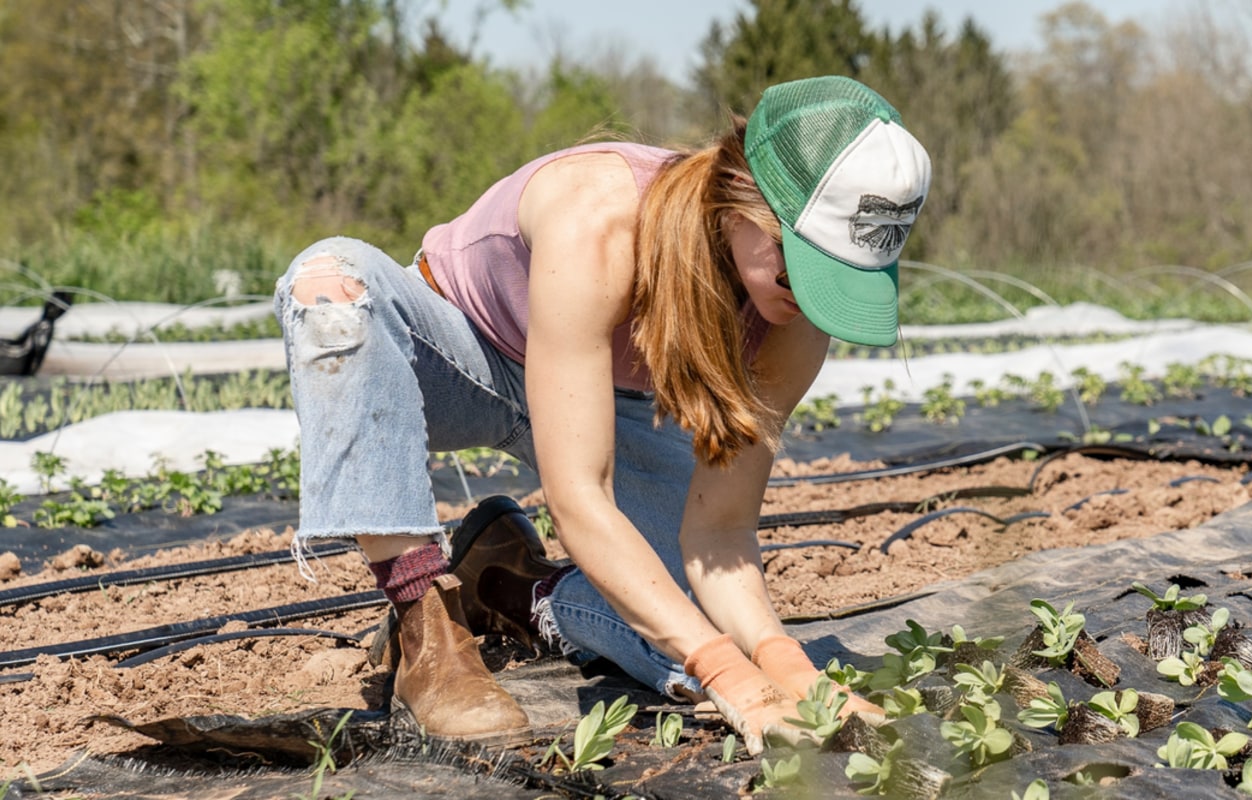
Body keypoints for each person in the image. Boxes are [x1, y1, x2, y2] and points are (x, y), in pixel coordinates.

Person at [274, 76, 930, 754]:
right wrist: (727, 672)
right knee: (331, 286)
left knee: (691, 628)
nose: (809, 302)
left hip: (605, 401)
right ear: (744, 202)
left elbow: (720, 533)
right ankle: (424, 624)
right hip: (458, 358)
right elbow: (580, 497)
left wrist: (784, 668)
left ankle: (516, 586)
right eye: (801, 270)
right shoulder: (603, 217)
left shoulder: (794, 321)